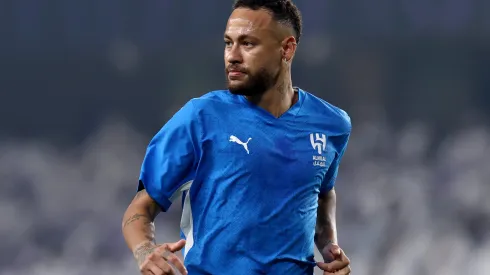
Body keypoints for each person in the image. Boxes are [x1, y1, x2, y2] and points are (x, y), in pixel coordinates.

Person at [122, 0, 352, 274]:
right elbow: (139, 209)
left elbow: (322, 193)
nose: (232, 55)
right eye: (228, 43)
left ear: (287, 48)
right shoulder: (201, 117)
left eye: (248, 44)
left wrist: (329, 246)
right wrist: (145, 252)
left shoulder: (332, 124)